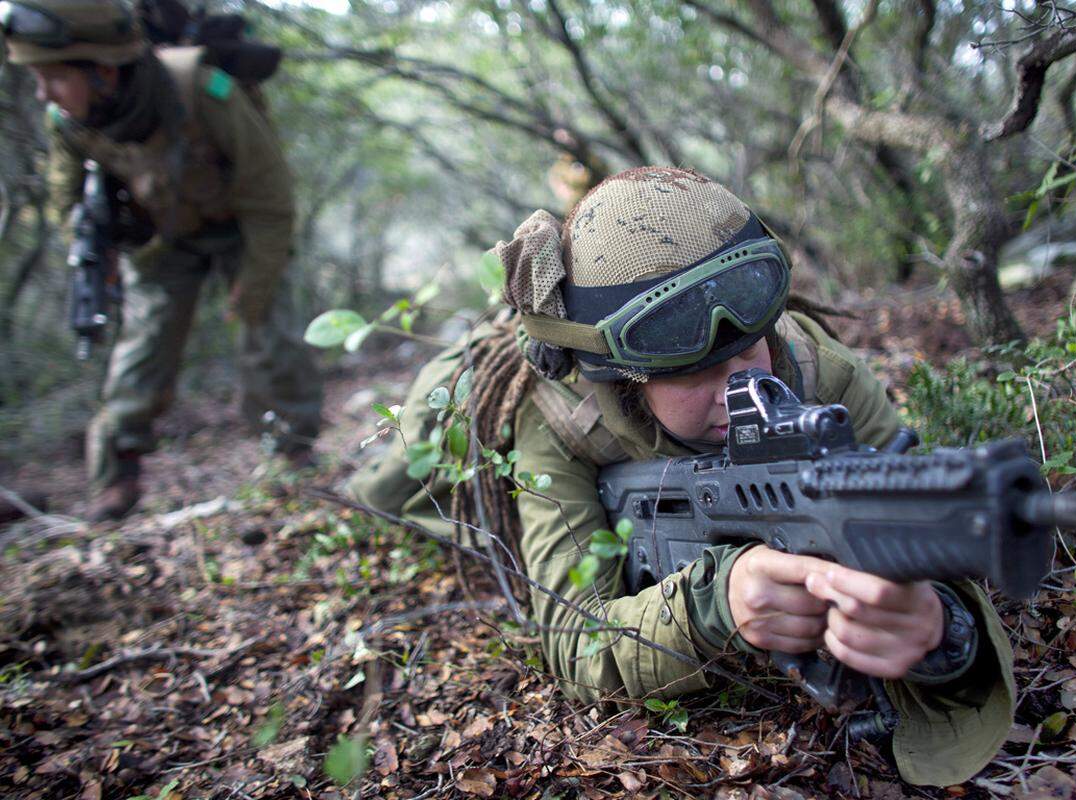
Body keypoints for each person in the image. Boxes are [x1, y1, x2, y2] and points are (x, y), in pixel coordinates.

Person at [346, 167, 1014, 786]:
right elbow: (575, 642)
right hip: (471, 401)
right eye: (692, 369)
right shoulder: (556, 419)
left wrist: (941, 634)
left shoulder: (821, 373)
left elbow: (903, 517)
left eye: (748, 344)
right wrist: (716, 602)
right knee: (386, 493)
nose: (743, 384)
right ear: (621, 374)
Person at [1, 0, 323, 521]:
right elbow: (66, 201)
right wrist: (93, 251)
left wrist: (254, 283)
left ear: (103, 68)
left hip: (243, 226)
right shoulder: (68, 121)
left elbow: (270, 197)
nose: (43, 93)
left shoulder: (199, 88)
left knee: (267, 334)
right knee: (142, 348)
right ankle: (116, 478)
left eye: (54, 79)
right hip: (164, 238)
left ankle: (293, 454)